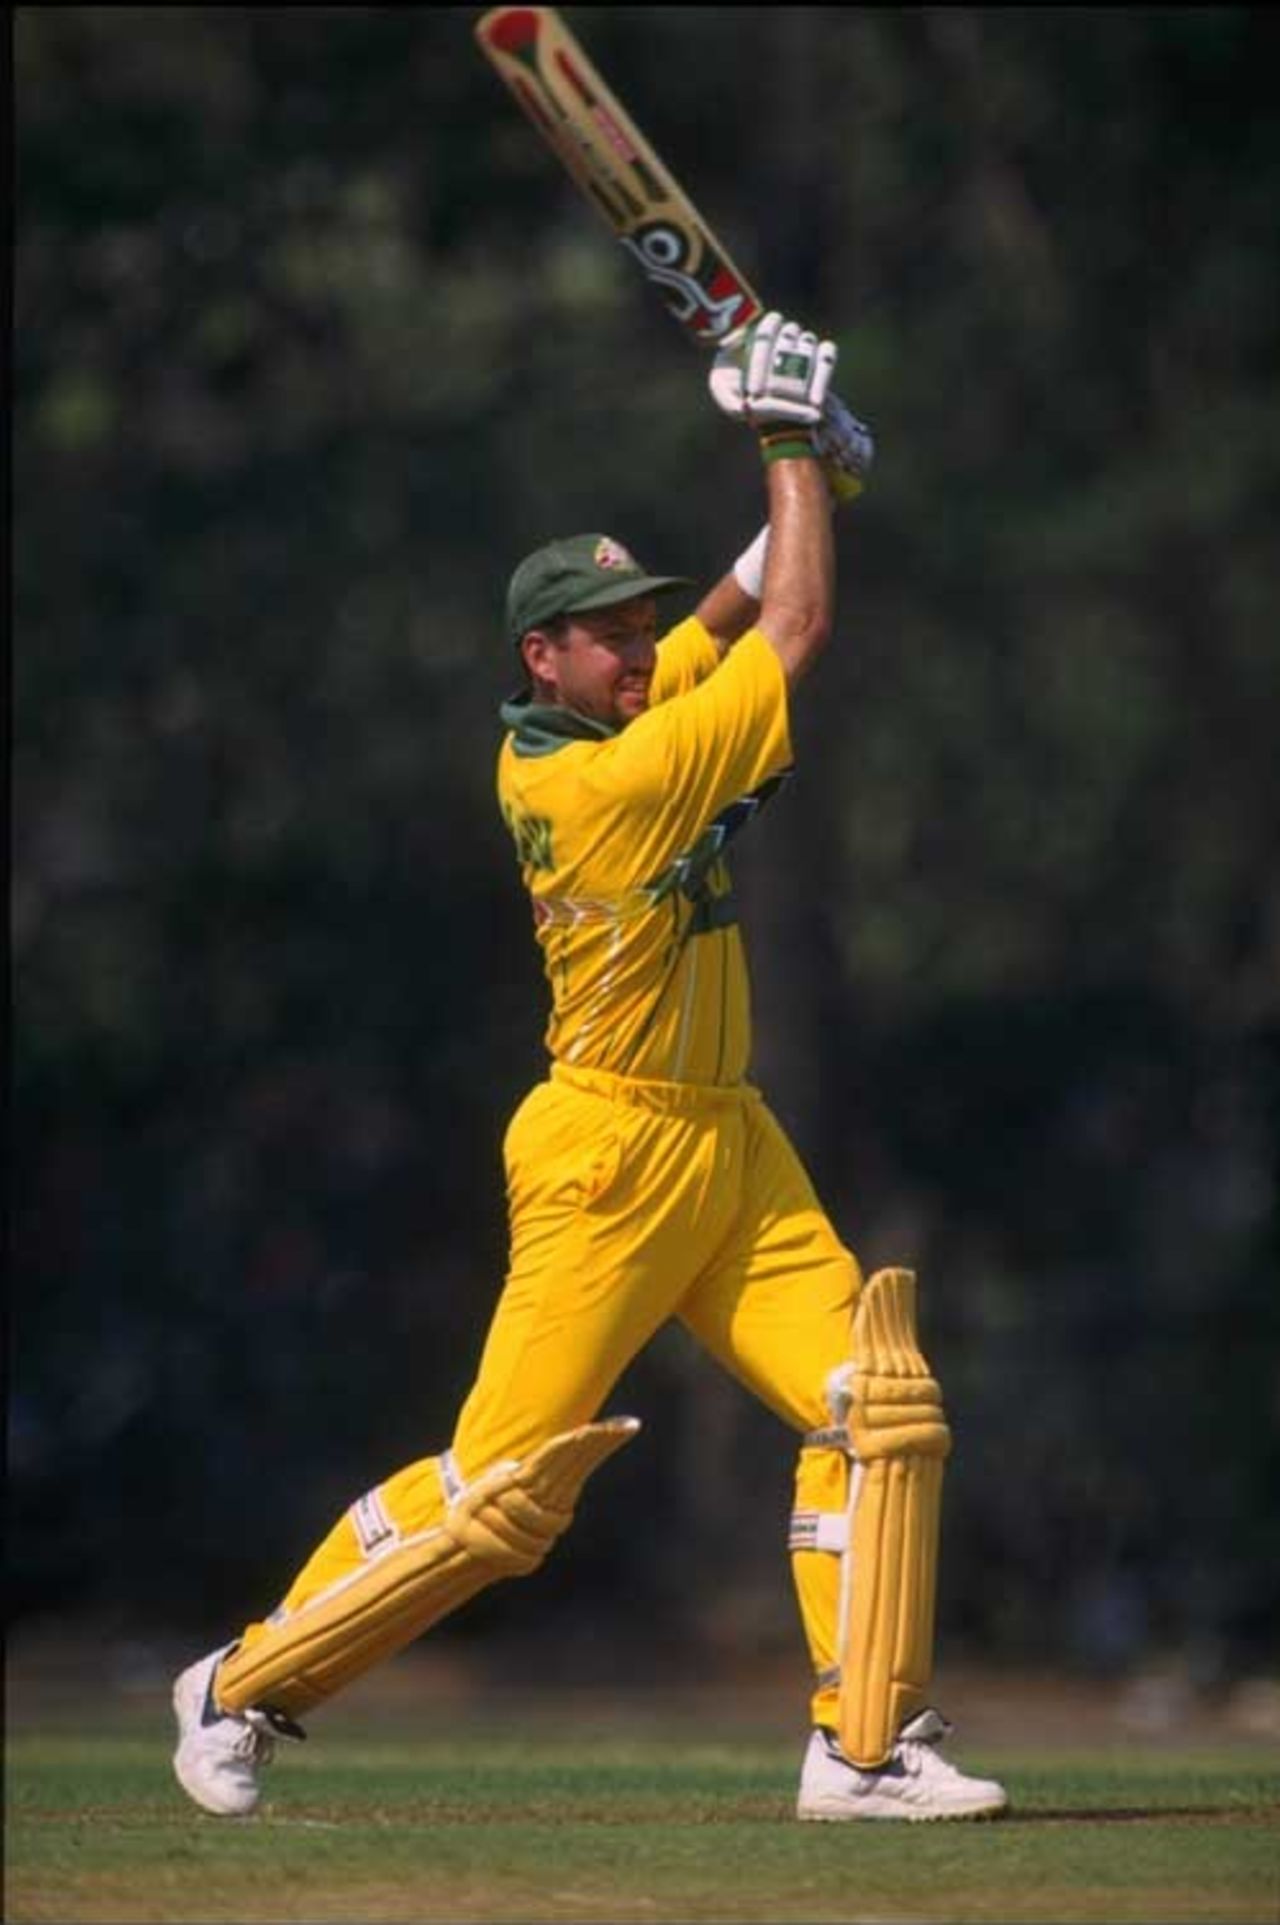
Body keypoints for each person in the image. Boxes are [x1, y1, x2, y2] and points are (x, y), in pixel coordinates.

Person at [171, 312, 1008, 1824]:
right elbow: (797, 632)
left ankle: (864, 1747)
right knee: (501, 1500)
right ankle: (239, 1685)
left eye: (643, 624)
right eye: (610, 633)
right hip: (607, 1157)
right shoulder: (613, 777)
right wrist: (786, 443)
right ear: (539, 655)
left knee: (882, 1406)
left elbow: (750, 602)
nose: (642, 650)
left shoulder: (613, 713)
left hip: (726, 1142)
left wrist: (808, 483)